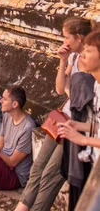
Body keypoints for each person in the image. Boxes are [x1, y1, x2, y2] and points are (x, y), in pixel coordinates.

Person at [13, 17, 96, 211]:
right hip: (63, 118)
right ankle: (21, 208)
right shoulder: (75, 58)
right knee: (38, 168)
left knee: (51, 174)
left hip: (78, 126)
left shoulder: (93, 65)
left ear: (79, 37)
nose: (64, 41)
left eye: (66, 37)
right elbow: (61, 90)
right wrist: (62, 61)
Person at [58, 29, 100, 200]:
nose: (82, 55)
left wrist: (83, 139)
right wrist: (79, 126)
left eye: (89, 50)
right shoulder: (97, 85)